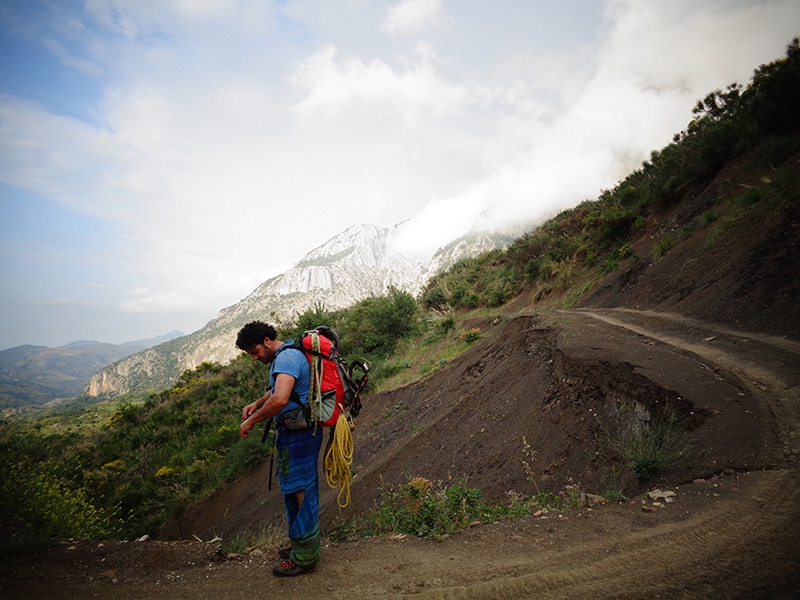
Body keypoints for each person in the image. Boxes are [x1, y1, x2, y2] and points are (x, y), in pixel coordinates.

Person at [236, 321, 322, 577]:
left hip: (300, 434)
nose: (254, 358)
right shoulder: (285, 355)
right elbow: (276, 391)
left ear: (266, 340)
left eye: (255, 352)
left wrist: (251, 420)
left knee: (301, 489)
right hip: (296, 431)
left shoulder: (286, 358)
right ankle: (300, 540)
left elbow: (281, 399)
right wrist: (257, 402)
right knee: (296, 487)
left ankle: (306, 556)